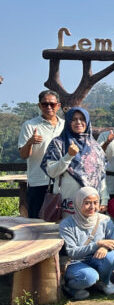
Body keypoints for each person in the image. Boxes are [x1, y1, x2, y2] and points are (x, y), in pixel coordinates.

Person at [42, 107, 108, 218]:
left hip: (91, 204)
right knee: (66, 233)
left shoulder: (95, 146)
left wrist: (104, 199)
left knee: (90, 233)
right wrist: (68, 156)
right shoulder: (58, 143)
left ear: (87, 122)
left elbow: (101, 176)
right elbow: (52, 172)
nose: (78, 122)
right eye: (74, 119)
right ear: (68, 122)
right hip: (67, 204)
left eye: (82, 119)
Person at [60, 187, 114, 300]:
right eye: (87, 203)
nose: (92, 207)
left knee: (111, 256)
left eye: (95, 203)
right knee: (89, 277)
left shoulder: (105, 220)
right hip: (75, 262)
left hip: (96, 259)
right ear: (78, 203)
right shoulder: (67, 224)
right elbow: (72, 252)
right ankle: (71, 287)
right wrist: (97, 244)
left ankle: (104, 282)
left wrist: (105, 248)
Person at [18, 90, 65, 218]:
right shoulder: (30, 126)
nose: (49, 107)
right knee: (36, 222)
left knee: (60, 222)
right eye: (45, 104)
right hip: (39, 182)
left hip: (62, 182)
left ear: (58, 106)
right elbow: (23, 155)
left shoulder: (65, 126)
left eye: (52, 104)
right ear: (39, 106)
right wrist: (30, 142)